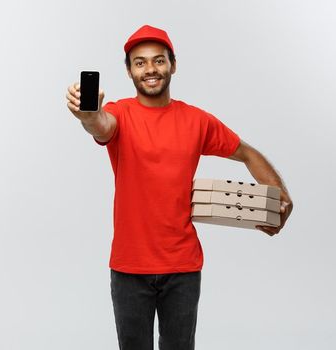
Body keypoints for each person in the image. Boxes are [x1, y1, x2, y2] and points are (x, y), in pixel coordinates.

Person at [65, 24, 293, 350]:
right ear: (129, 71)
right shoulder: (119, 113)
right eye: (140, 62)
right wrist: (88, 115)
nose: (150, 69)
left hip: (183, 268)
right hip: (130, 268)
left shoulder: (196, 121)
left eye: (159, 60)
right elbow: (101, 125)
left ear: (172, 65)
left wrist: (281, 197)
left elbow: (246, 152)